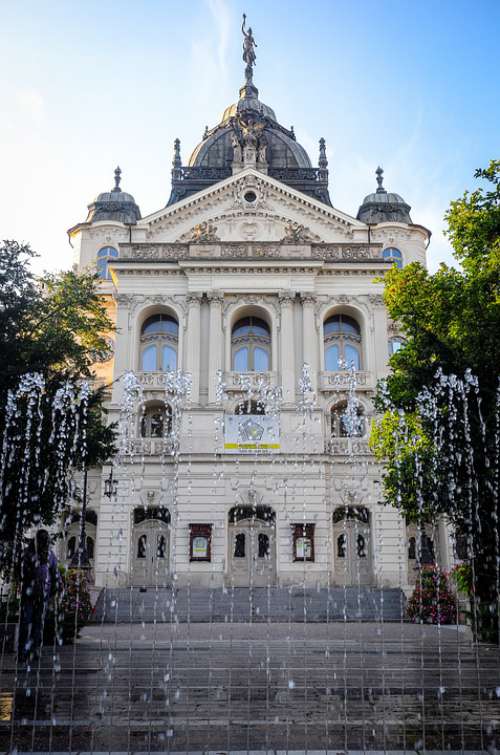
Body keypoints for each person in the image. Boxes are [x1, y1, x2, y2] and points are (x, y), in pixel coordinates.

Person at [17, 529, 60, 665]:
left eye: (46, 540)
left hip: (43, 595)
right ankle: (22, 652)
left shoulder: (50, 555)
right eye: (42, 539)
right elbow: (23, 573)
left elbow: (55, 573)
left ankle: (35, 650)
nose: (45, 542)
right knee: (25, 623)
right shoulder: (28, 554)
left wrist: (56, 586)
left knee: (38, 624)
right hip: (29, 595)